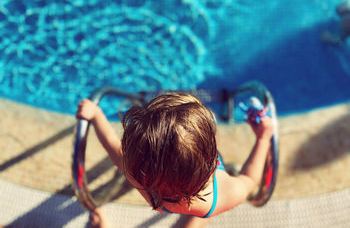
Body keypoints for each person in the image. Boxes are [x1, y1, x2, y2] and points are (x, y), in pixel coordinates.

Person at [76, 93, 274, 228]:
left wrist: (96, 115)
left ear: (138, 168)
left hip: (167, 202)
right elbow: (249, 178)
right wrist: (263, 138)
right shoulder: (225, 194)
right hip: (206, 207)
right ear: (212, 159)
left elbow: (112, 144)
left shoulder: (146, 185)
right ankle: (198, 221)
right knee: (199, 219)